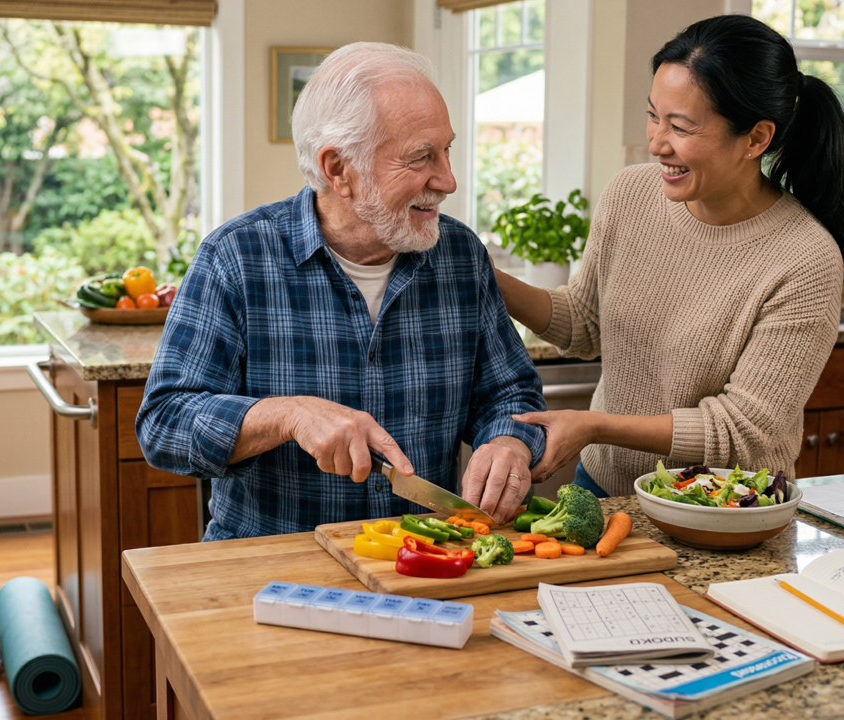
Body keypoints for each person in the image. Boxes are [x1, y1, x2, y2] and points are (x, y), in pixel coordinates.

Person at [136, 43, 545, 540]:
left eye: (447, 150)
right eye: (421, 157)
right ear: (337, 170)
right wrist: (286, 414)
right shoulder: (236, 257)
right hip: (271, 567)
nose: (448, 180)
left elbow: (509, 392)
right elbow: (163, 425)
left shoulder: (460, 256)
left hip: (422, 562)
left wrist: (509, 442)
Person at [495, 15, 844, 497]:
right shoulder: (630, 194)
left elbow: (739, 430)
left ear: (756, 138)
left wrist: (594, 425)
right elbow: (584, 323)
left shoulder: (804, 257)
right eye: (654, 116)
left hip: (724, 508)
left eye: (680, 127)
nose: (655, 143)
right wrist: (485, 274)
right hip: (605, 487)